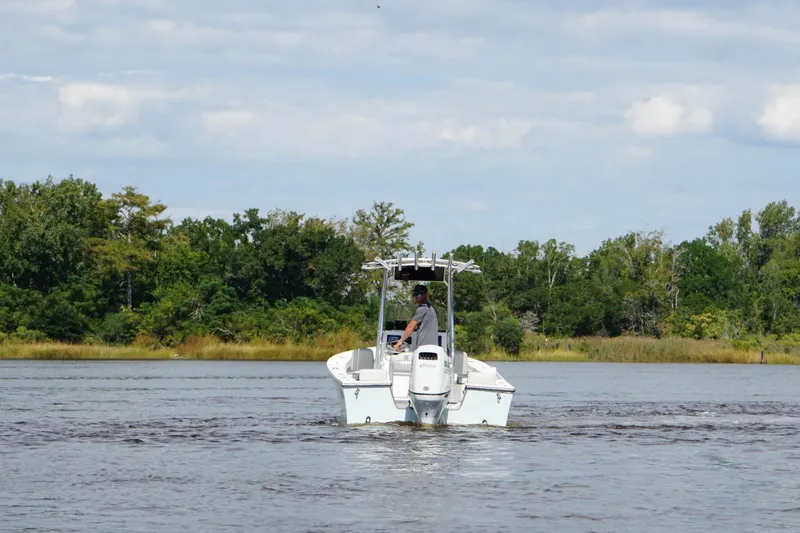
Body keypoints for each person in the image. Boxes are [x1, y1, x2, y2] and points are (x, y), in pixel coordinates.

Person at [392, 284, 439, 352]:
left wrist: (400, 342)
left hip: (424, 348)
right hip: (432, 348)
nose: (416, 297)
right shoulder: (432, 308)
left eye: (419, 294)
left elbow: (411, 327)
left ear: (426, 295)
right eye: (414, 294)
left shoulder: (423, 308)